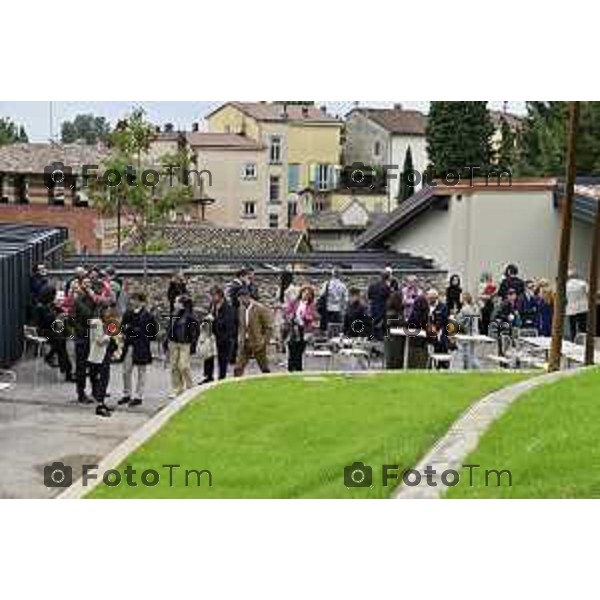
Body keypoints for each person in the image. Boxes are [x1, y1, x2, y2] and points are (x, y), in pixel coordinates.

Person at [119, 292, 157, 407]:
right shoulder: (128, 313)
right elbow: (122, 327)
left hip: (141, 345)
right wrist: (127, 330)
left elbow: (153, 331)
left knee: (141, 371)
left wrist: (141, 333)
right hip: (129, 345)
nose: (132, 302)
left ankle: (138, 396)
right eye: (132, 300)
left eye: (135, 300)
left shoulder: (148, 315)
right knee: (126, 371)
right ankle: (127, 394)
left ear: (141, 301)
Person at [34, 286, 74, 381]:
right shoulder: (40, 307)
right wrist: (57, 317)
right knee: (60, 343)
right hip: (44, 330)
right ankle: (66, 370)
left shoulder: (50, 304)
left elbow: (59, 310)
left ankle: (63, 367)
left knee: (61, 343)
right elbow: (45, 321)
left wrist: (64, 313)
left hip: (51, 329)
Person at [164, 295, 199, 398]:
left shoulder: (191, 317)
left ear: (182, 304)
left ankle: (190, 387)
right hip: (173, 343)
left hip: (185, 344)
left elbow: (195, 332)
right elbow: (169, 328)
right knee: (174, 367)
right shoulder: (174, 314)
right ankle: (177, 389)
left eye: (176, 302)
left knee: (184, 366)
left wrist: (193, 346)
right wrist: (166, 341)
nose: (174, 304)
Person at [234, 287, 273, 377]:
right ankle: (237, 386)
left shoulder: (260, 308)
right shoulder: (241, 309)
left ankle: (269, 382)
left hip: (258, 342)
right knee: (238, 367)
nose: (240, 300)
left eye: (242, 298)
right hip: (245, 342)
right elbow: (241, 325)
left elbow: (269, 326)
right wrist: (240, 338)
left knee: (264, 367)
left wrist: (264, 341)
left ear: (248, 296)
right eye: (239, 298)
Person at [88, 308, 119, 418]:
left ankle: (101, 402)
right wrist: (110, 333)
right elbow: (99, 340)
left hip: (103, 355)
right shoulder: (95, 323)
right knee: (101, 380)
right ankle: (99, 405)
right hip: (98, 355)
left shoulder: (102, 323)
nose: (109, 315)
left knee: (104, 380)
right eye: (107, 313)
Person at [71, 277, 97, 404]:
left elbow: (97, 314)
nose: (88, 285)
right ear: (81, 285)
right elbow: (83, 315)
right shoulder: (78, 300)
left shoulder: (92, 299)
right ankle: (81, 393)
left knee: (94, 366)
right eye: (85, 283)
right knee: (81, 368)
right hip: (82, 338)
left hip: (92, 337)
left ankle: (95, 391)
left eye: (89, 283)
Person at [203, 287, 235, 382]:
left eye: (213, 295)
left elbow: (228, 322)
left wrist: (214, 320)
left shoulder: (227, 307)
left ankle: (222, 378)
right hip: (212, 335)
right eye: (211, 296)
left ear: (220, 296)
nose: (212, 298)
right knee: (208, 356)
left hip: (224, 337)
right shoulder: (212, 306)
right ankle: (208, 376)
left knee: (222, 359)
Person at [285, 286, 316, 372]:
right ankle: (291, 368)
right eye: (305, 293)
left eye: (308, 294)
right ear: (301, 293)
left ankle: (298, 368)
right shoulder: (294, 302)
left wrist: (305, 317)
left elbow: (312, 316)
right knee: (292, 349)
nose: (306, 295)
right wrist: (290, 316)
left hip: (304, 329)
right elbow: (287, 312)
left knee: (299, 351)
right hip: (293, 328)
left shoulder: (311, 305)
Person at [456, 292, 481, 369]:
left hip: (466, 334)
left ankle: (475, 368)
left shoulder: (465, 309)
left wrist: (454, 317)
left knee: (467, 354)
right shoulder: (474, 308)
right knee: (471, 353)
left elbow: (461, 322)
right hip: (473, 333)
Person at [493, 288, 521, 356]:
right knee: (504, 347)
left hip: (510, 327)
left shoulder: (513, 303)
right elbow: (497, 315)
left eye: (514, 295)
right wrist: (507, 317)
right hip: (504, 328)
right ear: (508, 296)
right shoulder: (505, 304)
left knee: (509, 346)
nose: (514, 297)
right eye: (512, 295)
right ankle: (503, 361)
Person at [427, 288, 450, 366]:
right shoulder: (427, 306)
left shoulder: (443, 307)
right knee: (430, 353)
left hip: (441, 334)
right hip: (429, 334)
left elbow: (444, 319)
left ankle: (443, 366)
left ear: (435, 298)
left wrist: (436, 327)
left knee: (442, 352)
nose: (429, 300)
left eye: (431, 298)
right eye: (429, 298)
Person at [368, 269, 393, 340]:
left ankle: (371, 335)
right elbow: (388, 297)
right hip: (382, 306)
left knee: (373, 320)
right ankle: (379, 336)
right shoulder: (386, 286)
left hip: (373, 305)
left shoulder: (372, 285)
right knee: (380, 322)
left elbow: (369, 296)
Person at [407, 294, 430, 369]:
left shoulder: (414, 314)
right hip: (423, 339)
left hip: (413, 338)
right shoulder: (426, 313)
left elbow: (410, 324)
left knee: (413, 356)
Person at [384, 291, 405, 369]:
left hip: (392, 338)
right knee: (394, 358)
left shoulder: (394, 311)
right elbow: (395, 322)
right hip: (394, 338)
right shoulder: (393, 313)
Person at [566, 269, 589, 341]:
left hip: (571, 309)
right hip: (582, 308)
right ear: (576, 275)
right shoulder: (583, 283)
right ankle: (582, 342)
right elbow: (589, 293)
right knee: (582, 327)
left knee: (572, 328)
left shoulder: (566, 285)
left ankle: (573, 341)